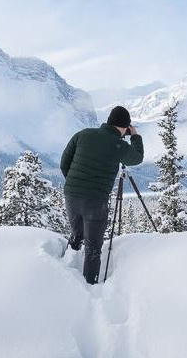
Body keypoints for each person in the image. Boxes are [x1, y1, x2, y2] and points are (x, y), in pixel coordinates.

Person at [60, 106, 144, 284]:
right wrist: (135, 137)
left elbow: (64, 163)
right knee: (92, 247)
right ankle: (89, 286)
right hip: (95, 201)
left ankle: (64, 275)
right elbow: (137, 158)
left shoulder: (83, 134)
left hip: (71, 195)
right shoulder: (119, 146)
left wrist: (76, 184)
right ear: (125, 127)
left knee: (76, 234)